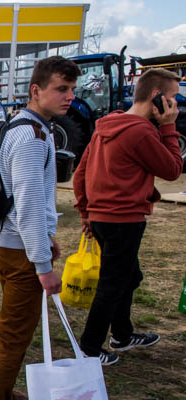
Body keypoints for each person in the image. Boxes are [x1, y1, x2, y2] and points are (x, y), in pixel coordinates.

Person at [0, 56, 79, 400]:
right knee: (14, 337)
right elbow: (29, 206)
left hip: (5, 243)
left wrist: (46, 238)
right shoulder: (31, 138)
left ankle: (0, 395)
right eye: (61, 89)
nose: (69, 96)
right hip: (19, 251)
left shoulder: (22, 127)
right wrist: (42, 265)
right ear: (36, 90)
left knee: (13, 333)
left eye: (72, 90)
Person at [73, 68, 182, 364]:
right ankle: (90, 350)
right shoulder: (141, 131)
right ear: (156, 97)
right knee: (112, 285)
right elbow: (173, 169)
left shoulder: (109, 124)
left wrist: (86, 212)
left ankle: (122, 335)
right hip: (124, 219)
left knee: (129, 277)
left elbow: (81, 172)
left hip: (104, 218)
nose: (175, 105)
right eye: (172, 98)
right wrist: (169, 126)